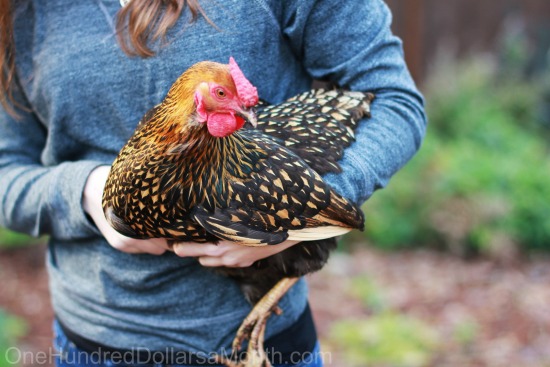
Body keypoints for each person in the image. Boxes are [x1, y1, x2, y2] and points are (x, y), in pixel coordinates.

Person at [0, 0, 427, 366]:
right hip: (92, 344)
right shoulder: (20, 9)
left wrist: (300, 204)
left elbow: (392, 97)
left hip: (259, 345)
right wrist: (88, 194)